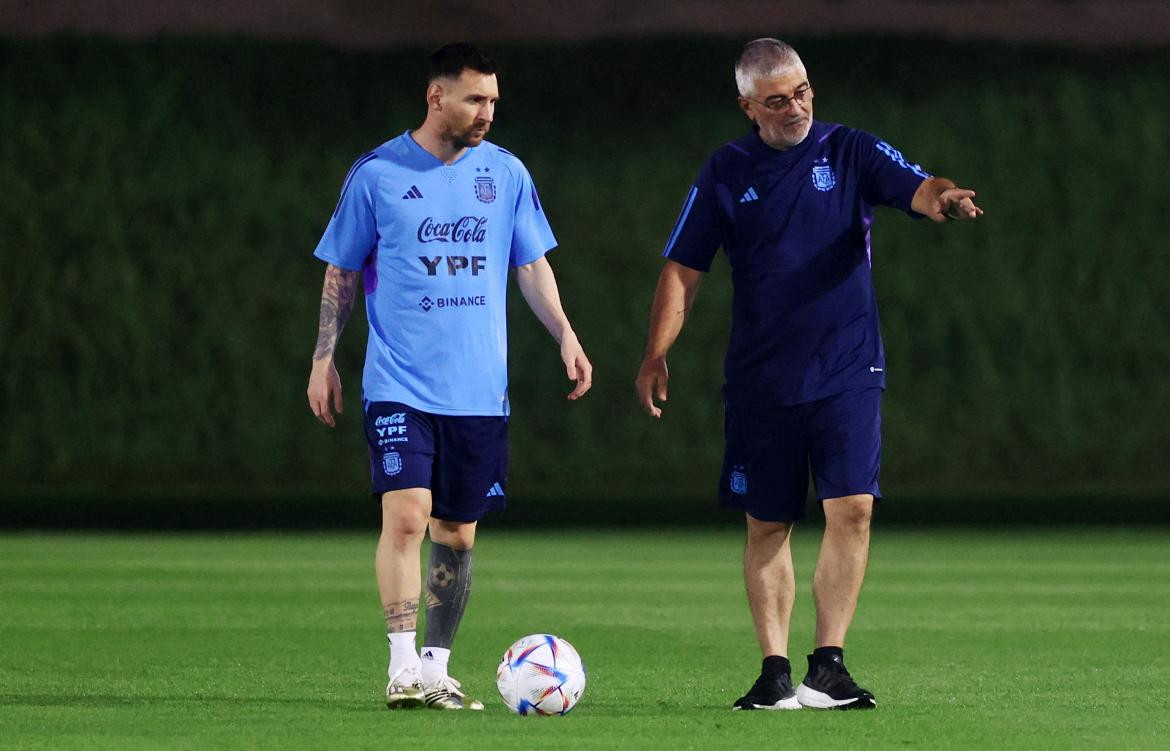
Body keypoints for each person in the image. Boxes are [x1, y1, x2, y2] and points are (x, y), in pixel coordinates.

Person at [635, 38, 982, 711]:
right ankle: (773, 671)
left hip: (850, 365)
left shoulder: (850, 150)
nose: (794, 107)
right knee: (768, 523)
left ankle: (828, 665)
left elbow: (919, 185)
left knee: (852, 507)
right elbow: (683, 268)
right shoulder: (725, 170)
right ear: (747, 106)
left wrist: (944, 198)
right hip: (763, 377)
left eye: (802, 92)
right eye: (776, 100)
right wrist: (656, 352)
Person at [307, 42, 592, 711]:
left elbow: (530, 264)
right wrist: (324, 356)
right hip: (399, 384)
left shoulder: (507, 174)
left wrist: (565, 333)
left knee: (457, 533)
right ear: (437, 98)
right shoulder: (377, 172)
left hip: (478, 390)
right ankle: (402, 666)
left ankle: (436, 667)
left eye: (493, 100)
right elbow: (342, 271)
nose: (487, 112)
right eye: (475, 99)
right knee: (407, 515)